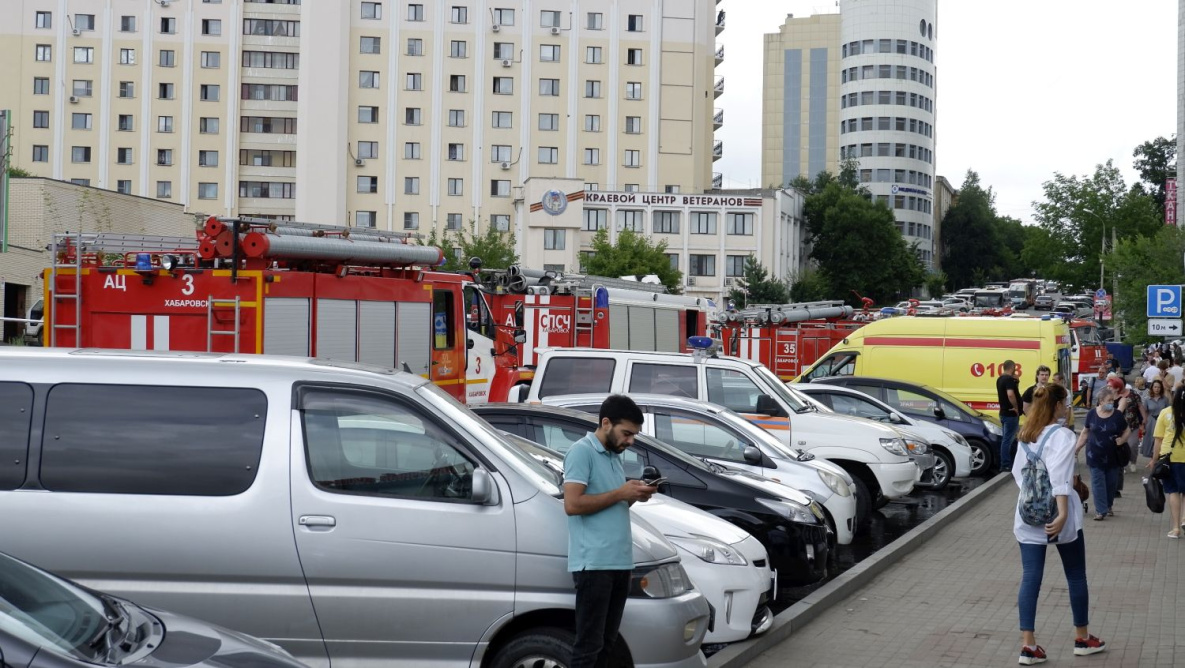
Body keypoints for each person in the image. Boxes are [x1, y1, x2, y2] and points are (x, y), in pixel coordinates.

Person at [1012, 383, 1106, 664]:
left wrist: (1034, 502)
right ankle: (1082, 638)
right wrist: (1061, 513)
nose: (1068, 408)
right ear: (1055, 406)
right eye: (1065, 403)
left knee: (1031, 577)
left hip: (1027, 516)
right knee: (1076, 574)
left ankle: (1028, 646)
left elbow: (1019, 474)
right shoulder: (1063, 436)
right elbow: (1060, 480)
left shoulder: (1025, 434)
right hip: (1058, 518)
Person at [563, 395, 656, 668]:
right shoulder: (581, 452)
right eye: (626, 433)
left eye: (634, 435)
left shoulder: (614, 454)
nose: (630, 441)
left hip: (619, 563)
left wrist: (634, 495)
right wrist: (620, 493)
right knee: (588, 647)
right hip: (593, 565)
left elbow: (611, 499)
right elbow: (572, 504)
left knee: (607, 645)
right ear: (606, 423)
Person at [1075, 387, 1130, 521]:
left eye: (1112, 400)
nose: (1111, 403)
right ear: (1100, 401)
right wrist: (1076, 449)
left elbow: (1127, 430)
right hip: (1094, 455)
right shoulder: (1092, 414)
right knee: (1097, 483)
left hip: (1113, 456)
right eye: (1108, 400)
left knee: (1111, 484)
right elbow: (1085, 432)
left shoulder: (1117, 415)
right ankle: (1100, 510)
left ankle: (1108, 505)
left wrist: (1122, 440)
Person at [1151, 385, 1185, 538]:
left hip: (1169, 458)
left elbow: (1158, 440)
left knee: (1173, 491)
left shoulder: (1165, 413)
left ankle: (1176, 528)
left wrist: (1154, 460)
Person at [997, 359, 1021, 473]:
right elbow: (1011, 394)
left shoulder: (1000, 379)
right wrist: (1016, 407)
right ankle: (1006, 465)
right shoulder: (1009, 380)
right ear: (1012, 368)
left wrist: (1016, 382)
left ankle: (1007, 463)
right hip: (1010, 413)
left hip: (1003, 412)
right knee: (1008, 440)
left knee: (1006, 439)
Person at [1141, 379, 1170, 467]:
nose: (1157, 389)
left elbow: (1168, 411)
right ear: (1152, 388)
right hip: (1151, 422)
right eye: (1155, 387)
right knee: (1151, 441)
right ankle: (1153, 461)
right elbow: (1145, 412)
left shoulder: (1165, 399)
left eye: (1159, 387)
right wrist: (1143, 425)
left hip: (1162, 421)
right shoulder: (1147, 399)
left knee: (1161, 440)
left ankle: (1157, 460)